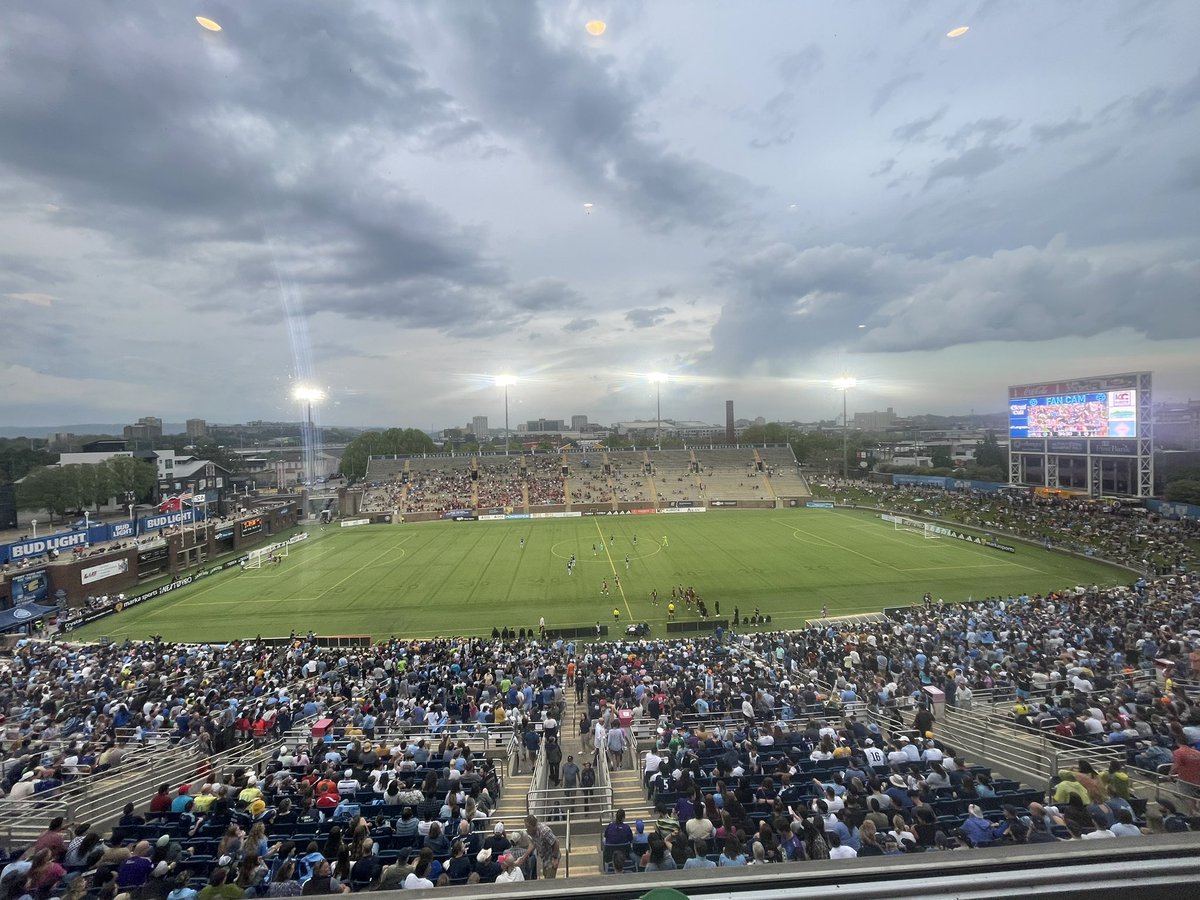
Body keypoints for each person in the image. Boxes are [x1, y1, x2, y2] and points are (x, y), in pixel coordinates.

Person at [520, 815, 561, 879]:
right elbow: (533, 844)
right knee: (545, 874)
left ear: (533, 826)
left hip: (551, 856)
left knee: (549, 879)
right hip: (545, 857)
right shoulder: (532, 832)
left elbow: (556, 842)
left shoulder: (544, 831)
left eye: (528, 827)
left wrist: (555, 858)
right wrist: (524, 856)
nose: (527, 829)